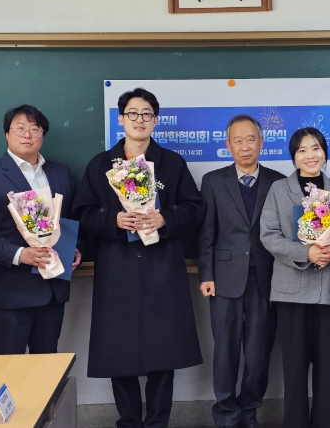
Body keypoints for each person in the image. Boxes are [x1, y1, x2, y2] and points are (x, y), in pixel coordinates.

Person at [71, 88, 205, 428]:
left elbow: (195, 209)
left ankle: (158, 422)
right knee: (119, 353)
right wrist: (113, 220)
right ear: (120, 119)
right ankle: (129, 422)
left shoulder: (172, 163)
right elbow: (82, 213)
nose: (139, 120)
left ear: (156, 120)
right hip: (117, 269)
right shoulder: (100, 164)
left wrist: (165, 218)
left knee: (164, 351)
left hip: (163, 268)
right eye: (133, 113)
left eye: (147, 114)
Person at [260, 127, 330, 428]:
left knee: (328, 371)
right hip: (291, 293)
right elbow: (269, 236)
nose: (310, 155)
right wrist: (306, 253)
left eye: (316, 148)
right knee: (294, 370)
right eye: (302, 150)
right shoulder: (278, 190)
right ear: (293, 156)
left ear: (324, 152)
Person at [0, 105, 80, 355]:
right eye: (20, 128)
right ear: (7, 134)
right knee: (8, 369)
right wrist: (21, 255)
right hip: (10, 293)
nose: (27, 135)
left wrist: (76, 248)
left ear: (43, 135)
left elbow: (72, 219)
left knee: (47, 368)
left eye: (34, 129)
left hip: (53, 290)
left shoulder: (61, 174)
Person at [198, 114, 284, 428]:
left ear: (261, 142)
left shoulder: (278, 181)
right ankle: (225, 414)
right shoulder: (213, 181)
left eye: (250, 139)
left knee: (259, 352)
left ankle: (249, 412)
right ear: (228, 145)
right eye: (238, 140)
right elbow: (206, 233)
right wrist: (206, 275)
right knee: (225, 351)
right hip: (224, 279)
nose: (245, 146)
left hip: (266, 278)